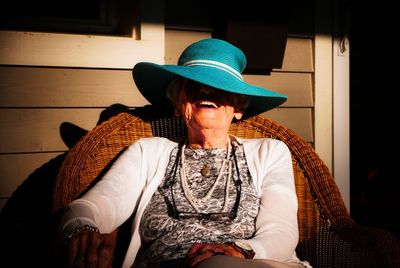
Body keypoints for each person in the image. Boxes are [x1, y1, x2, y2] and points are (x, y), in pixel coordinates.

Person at [57, 38, 312, 268]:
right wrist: (81, 230)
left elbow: (282, 230)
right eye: (194, 85)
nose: (207, 91)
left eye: (220, 87)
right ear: (178, 105)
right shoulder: (148, 152)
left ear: (238, 108)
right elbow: (94, 206)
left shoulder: (270, 152)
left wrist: (239, 251)